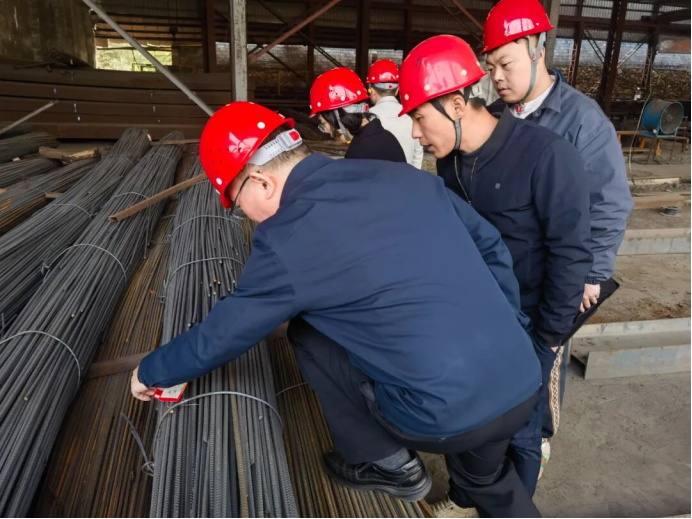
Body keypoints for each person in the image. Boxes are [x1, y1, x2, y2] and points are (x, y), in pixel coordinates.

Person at [131, 101, 544, 518]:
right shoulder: (404, 176)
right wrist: (513, 328)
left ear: (261, 181)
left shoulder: (287, 237)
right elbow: (492, 248)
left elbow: (227, 331)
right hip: (521, 378)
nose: (248, 217)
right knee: (486, 479)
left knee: (307, 333)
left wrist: (152, 371)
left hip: (440, 416)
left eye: (239, 204)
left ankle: (387, 463)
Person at [398, 34, 592, 501]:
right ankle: (466, 497)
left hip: (531, 323)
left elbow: (570, 253)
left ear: (456, 104)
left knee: (521, 427)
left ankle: (515, 501)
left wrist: (547, 340)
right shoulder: (451, 163)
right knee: (471, 413)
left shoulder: (545, 155)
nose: (417, 135)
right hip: (477, 317)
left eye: (420, 118)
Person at [483, 0, 634, 461]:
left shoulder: (582, 121)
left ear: (537, 50)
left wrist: (592, 274)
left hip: (557, 273)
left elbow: (609, 201)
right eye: (491, 67)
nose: (497, 77)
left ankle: (539, 443)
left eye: (506, 64)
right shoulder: (495, 116)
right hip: (506, 272)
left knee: (544, 360)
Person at [310, 67, 407, 162]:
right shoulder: (385, 137)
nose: (326, 131)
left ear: (339, 117)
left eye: (324, 123)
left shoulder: (359, 153)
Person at [366, 59, 425, 168]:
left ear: (372, 91)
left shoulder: (366, 117)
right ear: (397, 90)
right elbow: (418, 154)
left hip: (376, 177)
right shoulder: (411, 115)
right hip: (407, 176)